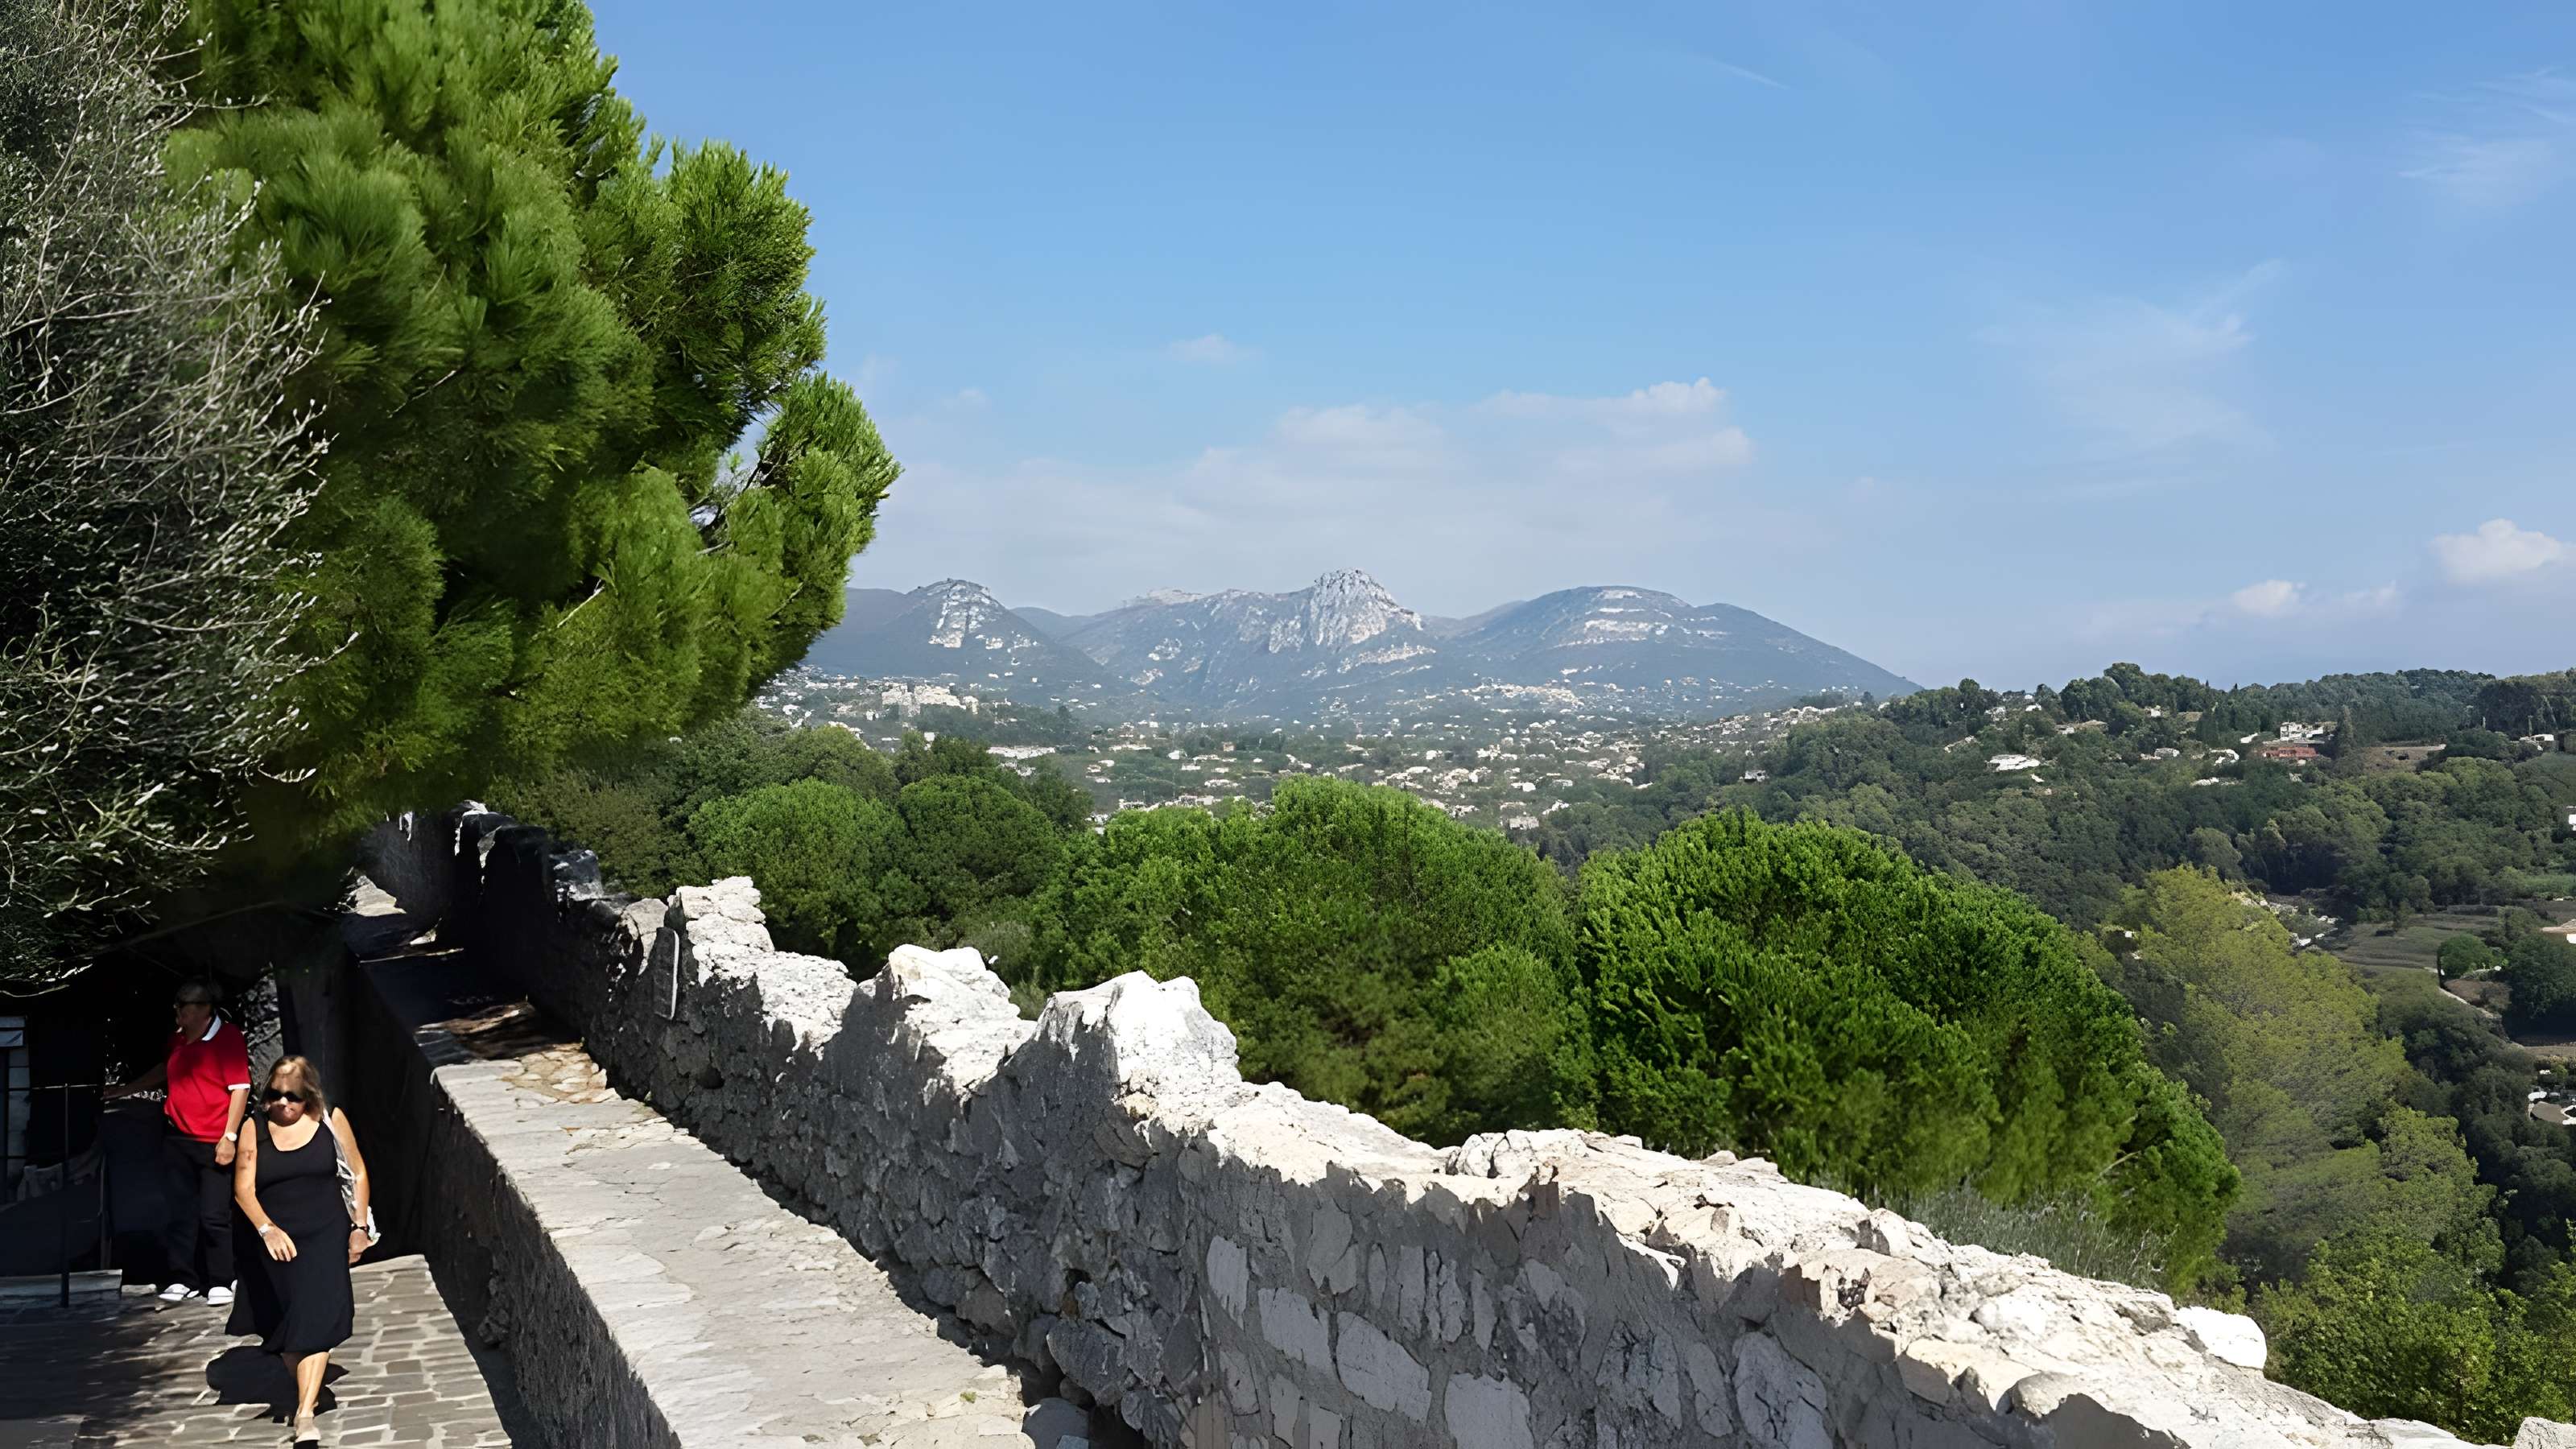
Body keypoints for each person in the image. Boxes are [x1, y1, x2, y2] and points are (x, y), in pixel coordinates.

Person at [230, 1055, 370, 1447]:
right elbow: (244, 1188)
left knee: (316, 1318)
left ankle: (304, 1413)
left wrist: (359, 1227)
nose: (282, 1103)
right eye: (274, 1094)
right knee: (286, 1326)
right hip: (275, 1240)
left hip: (325, 1235)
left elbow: (356, 1172)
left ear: (307, 1094)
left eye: (291, 1096)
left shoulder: (330, 1119)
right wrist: (267, 1229)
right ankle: (310, 1384)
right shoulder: (253, 1128)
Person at [105, 978, 250, 1305]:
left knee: (213, 1214)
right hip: (177, 1138)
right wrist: (125, 1089)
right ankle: (183, 1277)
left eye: (182, 1007)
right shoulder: (178, 1040)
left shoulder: (227, 1038)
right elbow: (166, 1070)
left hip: (213, 1139)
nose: (177, 1014)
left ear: (201, 1009)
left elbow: (240, 1088)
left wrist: (229, 1137)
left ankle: (222, 1280)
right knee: (179, 1212)